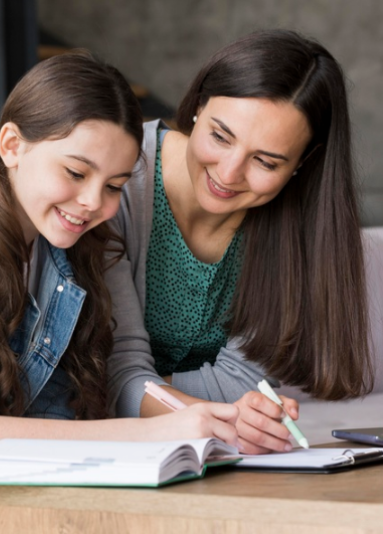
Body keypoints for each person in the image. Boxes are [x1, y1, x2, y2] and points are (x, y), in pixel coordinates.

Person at [0, 53, 239, 533]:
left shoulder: (73, 251)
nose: (94, 202)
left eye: (114, 185)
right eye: (75, 173)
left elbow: (59, 419)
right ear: (12, 145)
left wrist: (211, 424)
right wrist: (152, 434)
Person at [106, 29, 374, 454]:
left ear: (302, 163)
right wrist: (223, 415)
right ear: (198, 107)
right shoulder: (115, 178)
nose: (228, 174)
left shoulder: (298, 228)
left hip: (200, 453)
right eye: (220, 136)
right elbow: (111, 374)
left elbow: (243, 381)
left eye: (265, 161)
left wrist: (165, 398)